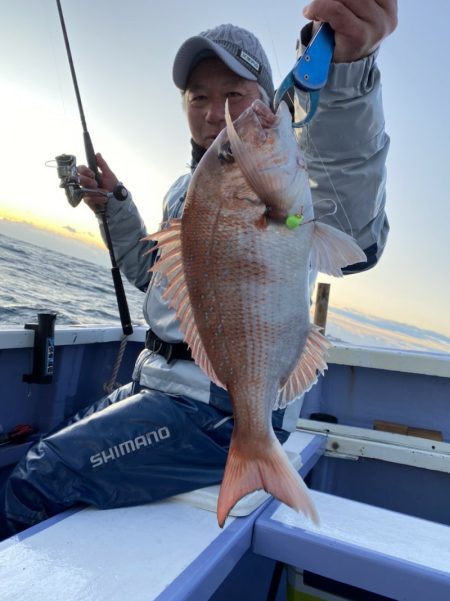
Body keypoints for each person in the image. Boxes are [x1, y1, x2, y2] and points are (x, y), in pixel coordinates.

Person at [0, 1, 398, 537]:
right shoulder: (186, 194)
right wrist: (114, 205)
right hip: (158, 388)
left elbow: (355, 229)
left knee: (35, 477)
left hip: (218, 410)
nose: (216, 113)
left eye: (234, 94)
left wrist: (348, 71)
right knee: (46, 442)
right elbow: (155, 277)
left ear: (270, 99)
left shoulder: (292, 190)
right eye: (200, 98)